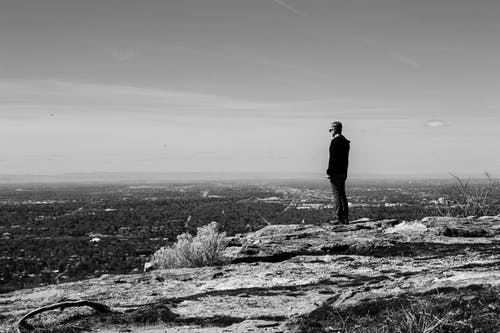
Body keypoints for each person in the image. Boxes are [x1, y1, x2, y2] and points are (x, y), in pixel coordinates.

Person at [327, 121, 350, 224]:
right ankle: (345, 217)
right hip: (343, 172)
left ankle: (339, 218)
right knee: (342, 194)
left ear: (335, 129)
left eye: (331, 130)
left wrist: (329, 172)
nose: (330, 132)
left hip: (335, 172)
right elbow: (345, 159)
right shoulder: (346, 142)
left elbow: (333, 159)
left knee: (336, 194)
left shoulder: (335, 141)